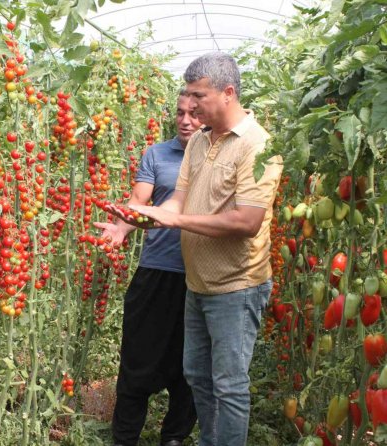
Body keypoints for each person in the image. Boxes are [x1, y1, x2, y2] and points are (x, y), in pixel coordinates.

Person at [122, 52, 283, 446]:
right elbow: (178, 201)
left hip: (237, 285)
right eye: (188, 96)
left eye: (198, 96)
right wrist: (145, 214)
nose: (189, 106)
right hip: (199, 283)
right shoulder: (199, 142)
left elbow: (247, 222)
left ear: (227, 93)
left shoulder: (258, 146)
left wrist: (175, 220)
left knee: (229, 385)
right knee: (197, 375)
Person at [96, 91, 202, 446]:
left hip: (201, 276)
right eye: (180, 113)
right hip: (157, 271)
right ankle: (124, 439)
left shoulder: (219, 155)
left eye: (194, 113)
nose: (186, 120)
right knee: (138, 360)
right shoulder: (157, 154)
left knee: (190, 366)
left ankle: (174, 438)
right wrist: (122, 227)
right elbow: (139, 203)